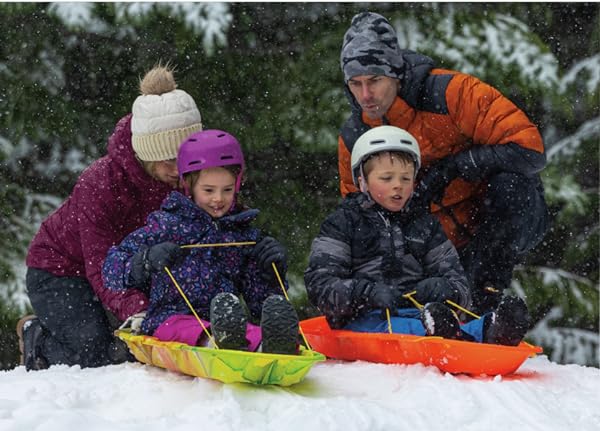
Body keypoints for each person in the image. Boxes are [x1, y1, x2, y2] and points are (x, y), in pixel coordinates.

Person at [337, 12, 549, 316]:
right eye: (355, 84)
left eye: (374, 80)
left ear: (395, 73)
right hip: (432, 244)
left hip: (497, 220)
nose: (366, 95)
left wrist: (454, 168)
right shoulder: (354, 136)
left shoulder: (452, 93)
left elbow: (530, 151)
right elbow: (357, 216)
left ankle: (487, 300)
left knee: (513, 186)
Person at [15, 64, 204, 370]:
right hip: (62, 270)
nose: (179, 171)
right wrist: (137, 308)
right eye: (170, 161)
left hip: (132, 268)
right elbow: (101, 266)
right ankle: (36, 335)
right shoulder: (101, 182)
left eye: (186, 161)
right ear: (147, 152)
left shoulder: (189, 179)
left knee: (136, 351)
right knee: (93, 354)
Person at [305, 126, 530, 346]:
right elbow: (320, 285)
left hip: (420, 314)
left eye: (406, 179)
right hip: (360, 319)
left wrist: (446, 289)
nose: (398, 186)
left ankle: (494, 328)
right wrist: (366, 293)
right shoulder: (343, 223)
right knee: (410, 328)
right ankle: (447, 334)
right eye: (386, 178)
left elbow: (460, 286)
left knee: (434, 322)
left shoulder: (424, 225)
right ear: (362, 181)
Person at [102, 129, 299, 355]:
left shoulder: (242, 234)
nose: (218, 199)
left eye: (227, 190)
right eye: (208, 190)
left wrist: (270, 271)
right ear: (188, 184)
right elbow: (111, 272)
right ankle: (219, 342)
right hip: (168, 320)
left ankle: (270, 344)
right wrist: (145, 260)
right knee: (186, 327)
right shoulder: (166, 226)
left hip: (228, 320)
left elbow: (257, 302)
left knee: (249, 330)